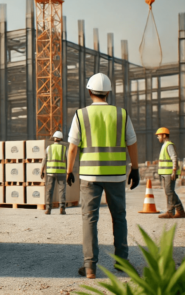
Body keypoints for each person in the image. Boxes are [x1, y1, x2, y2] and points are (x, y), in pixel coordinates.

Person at [66, 73, 140, 280]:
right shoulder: (121, 114)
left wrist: (69, 170)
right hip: (116, 175)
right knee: (119, 217)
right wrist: (134, 169)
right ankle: (122, 263)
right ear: (108, 92)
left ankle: (90, 267)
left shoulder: (81, 115)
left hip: (90, 176)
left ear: (89, 92)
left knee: (89, 219)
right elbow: (131, 142)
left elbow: (72, 147)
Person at [154, 127, 185, 219]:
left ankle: (170, 212)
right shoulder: (164, 145)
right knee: (169, 192)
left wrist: (174, 170)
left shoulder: (169, 145)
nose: (158, 137)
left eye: (159, 135)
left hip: (170, 173)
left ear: (164, 135)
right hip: (165, 173)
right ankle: (180, 211)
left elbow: (174, 157)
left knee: (169, 192)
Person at [40, 131, 67, 215]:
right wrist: (69, 172)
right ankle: (62, 208)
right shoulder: (64, 148)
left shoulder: (49, 148)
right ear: (61, 139)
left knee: (49, 191)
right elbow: (68, 160)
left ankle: (48, 209)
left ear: (54, 138)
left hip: (50, 172)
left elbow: (44, 159)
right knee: (62, 190)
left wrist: (42, 170)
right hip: (62, 172)